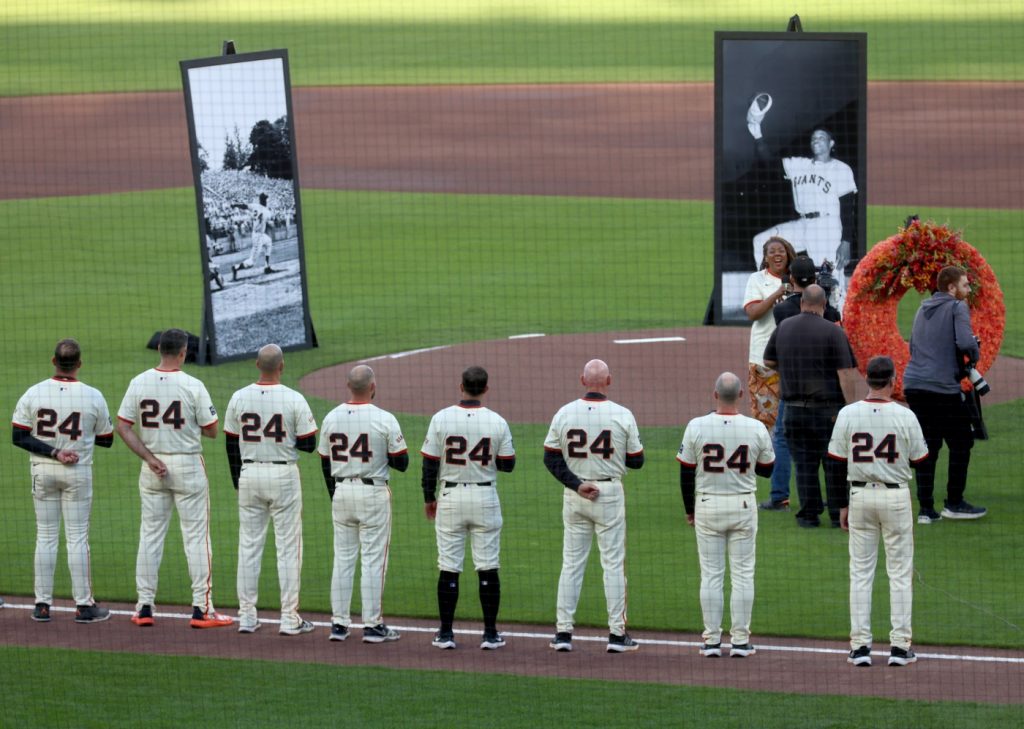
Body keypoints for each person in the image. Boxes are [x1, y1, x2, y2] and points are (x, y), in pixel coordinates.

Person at [116, 328, 232, 629]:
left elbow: (123, 426)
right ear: (182, 352)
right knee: (196, 538)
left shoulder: (139, 381)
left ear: (159, 350)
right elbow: (211, 429)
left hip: (152, 467)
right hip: (188, 467)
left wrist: (150, 458)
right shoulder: (193, 385)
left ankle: (143, 607)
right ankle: (202, 609)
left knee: (150, 535)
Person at [829, 356, 929, 667]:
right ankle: (900, 647)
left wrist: (841, 505)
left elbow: (834, 462)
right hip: (895, 497)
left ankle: (860, 647)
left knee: (860, 574)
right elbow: (921, 460)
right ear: (892, 380)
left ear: (868, 378)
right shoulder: (905, 415)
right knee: (899, 574)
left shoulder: (847, 413)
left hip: (859, 496)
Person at [543, 359, 645, 653]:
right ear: (609, 381)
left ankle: (563, 633)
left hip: (575, 494)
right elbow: (637, 461)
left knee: (571, 564)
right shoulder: (622, 414)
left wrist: (576, 484)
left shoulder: (564, 413)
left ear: (582, 379)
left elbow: (550, 458)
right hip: (609, 493)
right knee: (613, 565)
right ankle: (616, 634)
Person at [12, 339, 114, 624]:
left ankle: (42, 605)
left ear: (53, 361)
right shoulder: (93, 395)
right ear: (79, 364)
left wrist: (54, 451)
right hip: (77, 472)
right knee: (77, 537)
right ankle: (83, 606)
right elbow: (107, 440)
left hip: (42, 470)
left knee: (45, 536)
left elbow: (18, 436)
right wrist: (76, 442)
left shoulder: (33, 392)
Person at [678, 372, 774, 658]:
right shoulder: (755, 427)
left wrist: (690, 510)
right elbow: (767, 470)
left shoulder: (696, 426)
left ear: (715, 394)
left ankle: (711, 640)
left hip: (708, 504)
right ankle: (741, 641)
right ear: (742, 396)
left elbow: (685, 473)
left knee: (711, 575)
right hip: (743, 506)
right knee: (743, 575)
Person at [225, 344, 318, 636]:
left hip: (249, 473)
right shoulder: (294, 398)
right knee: (288, 548)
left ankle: (247, 617)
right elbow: (309, 444)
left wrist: (237, 481)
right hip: (283, 474)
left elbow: (230, 444)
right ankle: (289, 618)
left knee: (249, 546)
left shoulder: (239, 397)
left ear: (256, 365)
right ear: (282, 366)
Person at [421, 366, 515, 650]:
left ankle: (446, 633)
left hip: (450, 497)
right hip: (485, 498)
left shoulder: (441, 418)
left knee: (449, 566)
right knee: (488, 566)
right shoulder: (497, 421)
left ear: (460, 385)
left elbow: (429, 464)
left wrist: (429, 497)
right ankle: (490, 634)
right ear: (486, 389)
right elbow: (508, 465)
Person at [319, 365, 408, 643]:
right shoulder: (384, 418)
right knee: (372, 560)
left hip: (342, 491)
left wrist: (335, 493)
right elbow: (402, 463)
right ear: (373, 386)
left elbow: (325, 461)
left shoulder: (331, 417)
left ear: (348, 386)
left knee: (343, 558)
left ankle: (339, 624)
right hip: (372, 493)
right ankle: (372, 625)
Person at [746, 94, 857, 310]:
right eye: (814, 138)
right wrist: (757, 132)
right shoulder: (799, 164)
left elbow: (848, 208)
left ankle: (840, 323)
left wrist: (846, 241)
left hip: (827, 226)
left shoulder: (841, 169)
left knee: (831, 280)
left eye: (821, 138)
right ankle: (772, 298)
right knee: (762, 241)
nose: (816, 141)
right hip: (803, 223)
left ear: (831, 143)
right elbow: (769, 161)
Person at [763, 285, 861, 528]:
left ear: (801, 303)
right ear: (824, 305)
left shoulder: (784, 326)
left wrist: (789, 371)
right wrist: (850, 409)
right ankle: (839, 514)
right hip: (827, 410)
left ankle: (808, 515)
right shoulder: (833, 332)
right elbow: (846, 373)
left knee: (804, 464)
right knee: (834, 462)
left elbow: (768, 359)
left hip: (794, 410)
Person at [903, 265, 986, 523]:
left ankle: (926, 510)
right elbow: (965, 342)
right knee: (962, 441)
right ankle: (954, 502)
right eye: (965, 285)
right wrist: (974, 352)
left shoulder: (923, 308)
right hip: (941, 388)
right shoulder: (957, 307)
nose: (968, 290)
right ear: (951, 288)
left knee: (928, 445)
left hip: (914, 385)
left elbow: (915, 345)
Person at [760, 256, 841, 512]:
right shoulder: (829, 311)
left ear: (791, 278)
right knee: (831, 448)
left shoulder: (782, 310)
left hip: (792, 386)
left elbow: (772, 355)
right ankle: (837, 502)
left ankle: (780, 495)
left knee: (785, 441)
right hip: (826, 390)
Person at [742, 236, 796, 429]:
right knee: (765, 419)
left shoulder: (797, 279)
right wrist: (778, 293)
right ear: (765, 258)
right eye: (771, 252)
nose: (777, 255)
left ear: (788, 255)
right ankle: (767, 459)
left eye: (781, 251)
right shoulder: (757, 279)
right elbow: (752, 313)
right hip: (763, 359)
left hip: (794, 360)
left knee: (793, 418)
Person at [231, 193, 278, 280]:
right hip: (257, 237)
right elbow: (270, 223)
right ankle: (236, 267)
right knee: (251, 262)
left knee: (268, 242)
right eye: (267, 200)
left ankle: (267, 267)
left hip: (260, 234)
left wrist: (235, 205)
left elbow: (244, 206)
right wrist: (271, 223)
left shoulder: (255, 205)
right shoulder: (266, 211)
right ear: (265, 201)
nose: (268, 201)